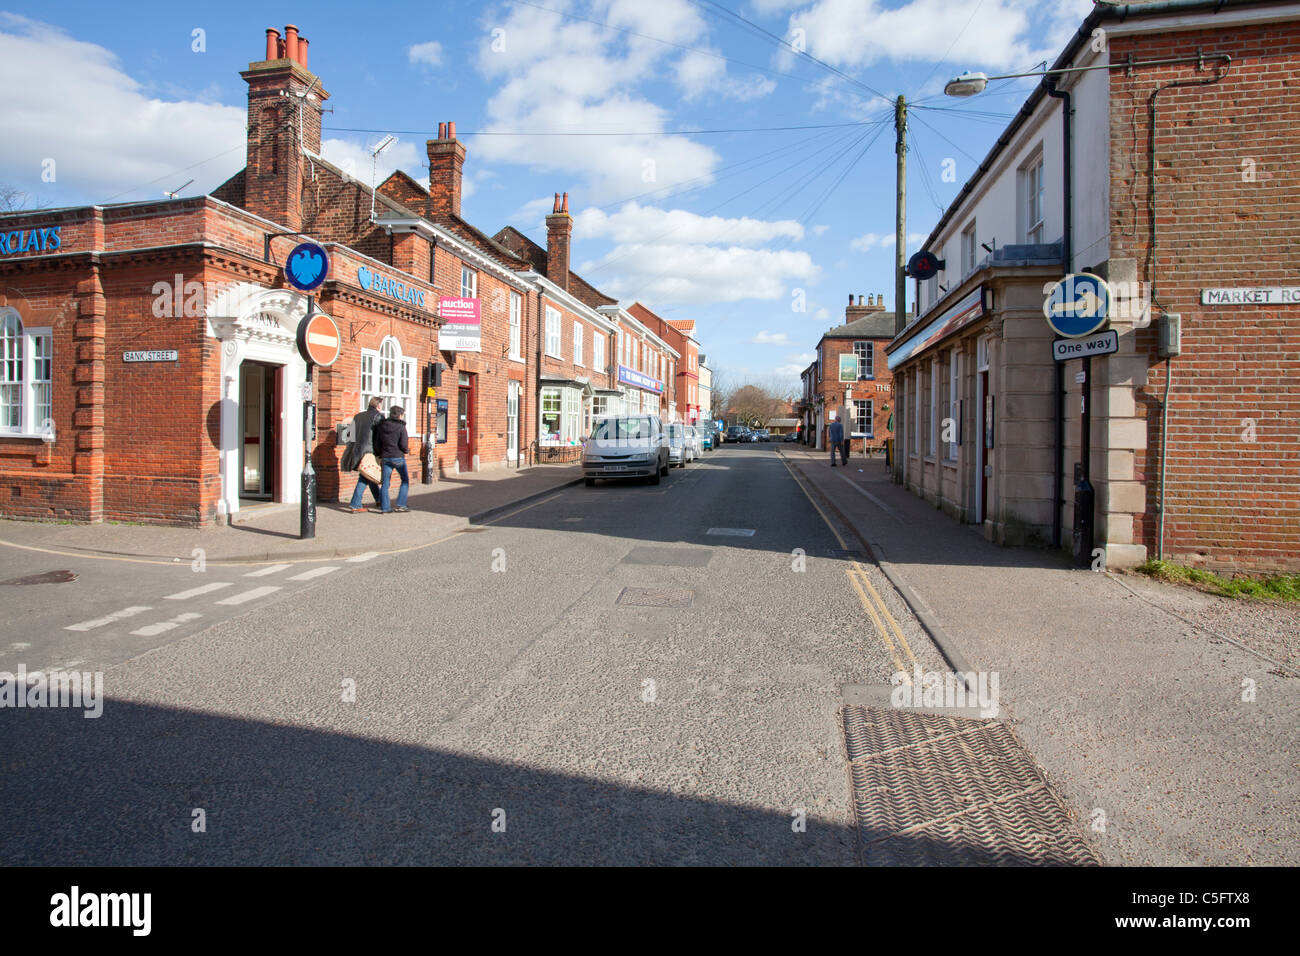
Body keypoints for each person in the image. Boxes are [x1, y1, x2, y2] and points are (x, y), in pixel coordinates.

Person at [341, 397, 384, 513]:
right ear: (378, 406)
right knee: (365, 476)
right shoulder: (378, 416)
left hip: (357, 449)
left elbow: (350, 435)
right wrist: (380, 451)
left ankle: (379, 499)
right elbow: (379, 436)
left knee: (368, 473)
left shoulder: (358, 416)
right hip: (369, 450)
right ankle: (355, 504)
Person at [371, 405, 411, 514]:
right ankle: (401, 505)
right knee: (405, 480)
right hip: (398, 457)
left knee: (385, 483)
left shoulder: (382, 426)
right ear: (399, 415)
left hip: (385, 457)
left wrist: (379, 453)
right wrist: (406, 450)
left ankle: (385, 508)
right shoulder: (401, 427)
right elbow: (403, 444)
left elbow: (377, 443)